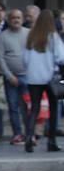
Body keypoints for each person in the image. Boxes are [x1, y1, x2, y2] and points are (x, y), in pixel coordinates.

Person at [21, 9, 64, 153]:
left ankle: (29, 138)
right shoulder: (53, 37)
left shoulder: (31, 36)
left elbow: (25, 60)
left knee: (34, 109)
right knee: (53, 110)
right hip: (50, 78)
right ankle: (51, 141)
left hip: (33, 78)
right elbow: (61, 58)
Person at [0, 9, 30, 145]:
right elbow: (0, 58)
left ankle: (30, 133)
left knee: (28, 106)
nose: (16, 20)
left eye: (18, 17)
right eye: (13, 18)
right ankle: (17, 133)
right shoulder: (3, 36)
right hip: (10, 77)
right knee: (13, 106)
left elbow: (33, 54)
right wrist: (9, 75)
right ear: (9, 20)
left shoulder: (28, 34)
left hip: (27, 76)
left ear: (22, 19)